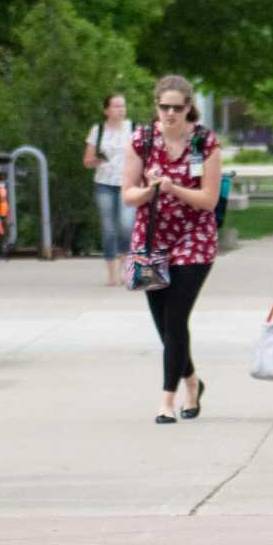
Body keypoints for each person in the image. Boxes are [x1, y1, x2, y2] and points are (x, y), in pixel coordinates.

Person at [123, 75, 221, 424]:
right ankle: (192, 381)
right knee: (164, 324)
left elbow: (209, 200)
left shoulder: (204, 142)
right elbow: (128, 194)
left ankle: (167, 400)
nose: (170, 114)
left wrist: (172, 188)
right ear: (156, 107)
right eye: (164, 107)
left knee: (177, 317)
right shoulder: (143, 140)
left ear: (188, 108)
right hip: (151, 241)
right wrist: (151, 190)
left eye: (177, 108)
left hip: (194, 239)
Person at [82, 92, 136, 287]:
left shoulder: (133, 128)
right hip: (104, 183)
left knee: (126, 226)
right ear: (106, 110)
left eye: (123, 106)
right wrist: (98, 159)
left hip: (128, 184)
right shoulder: (98, 131)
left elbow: (144, 155)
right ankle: (112, 274)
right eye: (116, 106)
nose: (121, 109)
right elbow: (87, 162)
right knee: (109, 229)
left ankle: (124, 270)